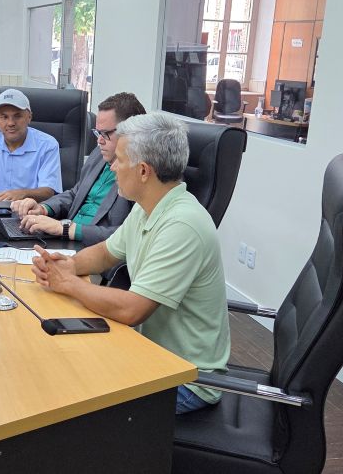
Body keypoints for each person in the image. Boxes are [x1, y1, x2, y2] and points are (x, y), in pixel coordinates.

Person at [29, 113, 229, 415]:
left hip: (186, 379)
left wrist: (67, 283)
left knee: (69, 389)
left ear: (144, 170)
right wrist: (69, 265)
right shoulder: (149, 207)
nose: (111, 167)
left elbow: (132, 309)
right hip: (151, 353)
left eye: (119, 160)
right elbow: (107, 253)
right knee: (61, 362)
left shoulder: (182, 225)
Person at [10, 92, 146, 245]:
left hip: (94, 250)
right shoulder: (99, 154)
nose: (99, 141)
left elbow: (130, 236)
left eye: (106, 134)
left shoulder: (142, 174)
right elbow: (76, 194)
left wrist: (68, 229)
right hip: (65, 240)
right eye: (97, 133)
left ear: (131, 133)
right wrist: (44, 208)